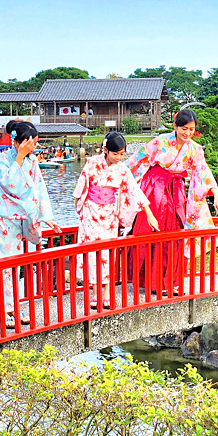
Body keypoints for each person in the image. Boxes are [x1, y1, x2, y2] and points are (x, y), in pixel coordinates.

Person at [126, 109, 218, 296]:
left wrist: (215, 193)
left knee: (178, 231)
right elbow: (136, 163)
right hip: (155, 187)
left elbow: (203, 173)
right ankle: (151, 281)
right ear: (175, 126)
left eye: (191, 129)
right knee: (155, 230)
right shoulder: (160, 142)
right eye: (184, 129)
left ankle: (172, 279)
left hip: (177, 190)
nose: (187, 133)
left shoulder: (194, 149)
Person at [0, 120, 59, 327]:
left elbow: (39, 188)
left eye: (35, 143)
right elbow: (8, 184)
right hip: (0, 220)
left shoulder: (32, 162)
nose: (34, 147)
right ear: (17, 142)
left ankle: (12, 308)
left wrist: (46, 216)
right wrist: (18, 158)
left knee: (13, 267)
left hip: (16, 223)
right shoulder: (2, 161)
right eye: (30, 143)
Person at [73, 132, 158, 309]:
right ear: (105, 150)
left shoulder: (122, 169)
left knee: (108, 253)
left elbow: (134, 190)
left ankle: (107, 293)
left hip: (110, 214)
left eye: (122, 154)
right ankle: (95, 293)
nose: (119, 158)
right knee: (92, 253)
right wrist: (80, 207)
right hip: (91, 213)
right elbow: (80, 188)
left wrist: (148, 213)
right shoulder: (91, 164)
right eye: (115, 154)